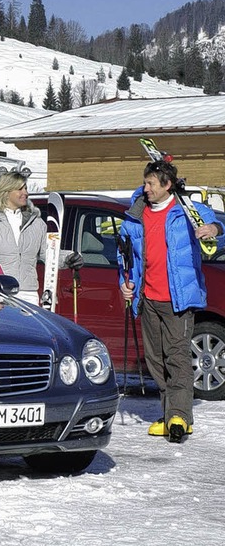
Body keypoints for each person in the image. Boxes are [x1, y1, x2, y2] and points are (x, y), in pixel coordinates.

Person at [119, 159, 224, 443]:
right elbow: (124, 254)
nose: (145, 188)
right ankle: (169, 414)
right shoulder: (136, 213)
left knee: (176, 356)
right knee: (155, 359)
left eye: (151, 183)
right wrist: (125, 282)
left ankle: (179, 415)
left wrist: (214, 230)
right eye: (145, 183)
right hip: (147, 296)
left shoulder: (186, 210)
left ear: (167, 185)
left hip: (178, 297)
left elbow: (219, 228)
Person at [0, 172, 83, 305]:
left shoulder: (37, 224)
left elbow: (49, 254)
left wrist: (68, 258)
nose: (25, 193)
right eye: (20, 189)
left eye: (25, 188)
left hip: (28, 293)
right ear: (6, 191)